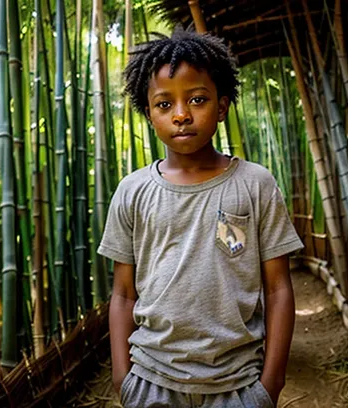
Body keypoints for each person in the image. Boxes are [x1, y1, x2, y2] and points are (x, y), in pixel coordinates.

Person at [98, 27, 305, 408]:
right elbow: (124, 293)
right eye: (164, 104)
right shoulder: (132, 191)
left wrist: (270, 384)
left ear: (222, 107)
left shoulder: (255, 184)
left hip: (238, 383)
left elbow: (278, 289)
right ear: (148, 113)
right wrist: (122, 377)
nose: (181, 115)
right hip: (150, 378)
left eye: (197, 99)